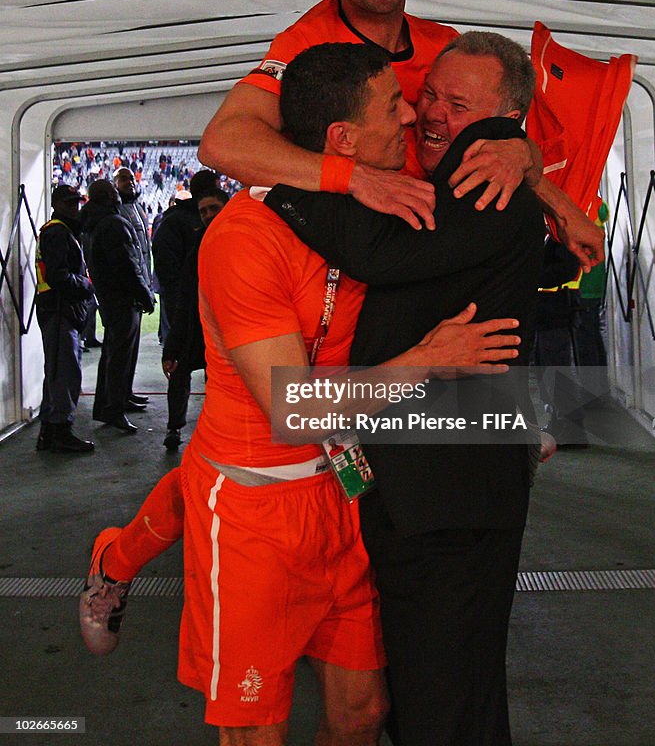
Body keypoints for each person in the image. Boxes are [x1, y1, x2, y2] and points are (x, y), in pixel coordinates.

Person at [80, 44, 526, 746]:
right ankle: (112, 559)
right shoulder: (242, 241)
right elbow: (294, 409)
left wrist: (524, 159)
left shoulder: (378, 191)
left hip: (342, 490)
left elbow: (488, 160)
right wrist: (428, 362)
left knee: (362, 715)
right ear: (344, 142)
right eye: (393, 107)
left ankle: (119, 554)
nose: (412, 114)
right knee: (257, 733)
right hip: (255, 507)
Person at [264, 33, 548, 746]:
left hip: (447, 499)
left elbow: (382, 256)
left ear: (505, 119)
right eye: (428, 95)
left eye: (458, 104)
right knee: (444, 691)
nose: (428, 113)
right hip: (433, 490)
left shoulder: (487, 171)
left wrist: (277, 186)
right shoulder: (462, 171)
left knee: (441, 703)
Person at [198, 0, 604, 269]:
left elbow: (499, 143)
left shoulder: (445, 46)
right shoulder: (306, 45)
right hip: (348, 265)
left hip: (431, 247)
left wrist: (556, 200)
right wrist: (358, 179)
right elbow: (223, 143)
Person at [79, 180, 155, 434]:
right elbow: (127, 266)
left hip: (110, 297)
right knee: (120, 355)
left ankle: (117, 400)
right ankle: (113, 407)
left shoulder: (93, 222)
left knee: (116, 353)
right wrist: (144, 293)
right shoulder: (112, 223)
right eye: (113, 191)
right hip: (122, 299)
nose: (118, 194)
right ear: (109, 197)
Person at [161, 187, 230, 451]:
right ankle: (174, 427)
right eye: (203, 211)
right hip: (197, 326)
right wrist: (172, 345)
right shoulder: (196, 245)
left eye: (213, 208)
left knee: (221, 382)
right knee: (179, 373)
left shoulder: (241, 238)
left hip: (226, 328)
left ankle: (220, 431)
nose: (208, 215)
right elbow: (185, 296)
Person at [34, 184, 95, 454]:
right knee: (65, 374)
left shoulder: (58, 230)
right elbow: (59, 276)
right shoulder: (58, 232)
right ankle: (59, 431)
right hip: (60, 310)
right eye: (69, 203)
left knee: (57, 373)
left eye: (76, 203)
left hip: (57, 310)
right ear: (57, 204)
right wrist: (86, 285)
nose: (75, 208)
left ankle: (50, 432)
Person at [152, 169, 220, 348]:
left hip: (203, 304)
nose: (209, 215)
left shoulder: (173, 221)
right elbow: (167, 267)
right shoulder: (179, 223)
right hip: (193, 304)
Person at [112, 166, 154, 407]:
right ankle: (117, 399)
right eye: (124, 179)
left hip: (140, 286)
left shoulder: (137, 208)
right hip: (128, 290)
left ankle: (126, 392)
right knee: (121, 350)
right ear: (115, 183)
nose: (130, 182)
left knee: (131, 349)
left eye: (131, 178)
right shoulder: (117, 211)